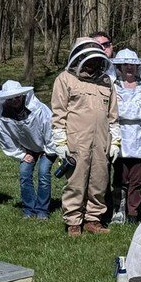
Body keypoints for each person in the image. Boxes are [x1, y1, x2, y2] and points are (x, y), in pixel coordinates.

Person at [51, 38, 120, 235]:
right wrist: (60, 142)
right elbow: (58, 112)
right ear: (79, 57)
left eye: (95, 61)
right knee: (76, 180)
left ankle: (93, 219)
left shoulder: (106, 81)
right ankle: (73, 220)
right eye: (88, 60)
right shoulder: (65, 79)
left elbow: (113, 115)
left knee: (99, 179)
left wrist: (115, 141)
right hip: (76, 140)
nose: (92, 65)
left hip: (101, 140)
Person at [0, 80, 55, 219]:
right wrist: (21, 154)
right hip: (27, 148)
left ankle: (42, 211)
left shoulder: (38, 109)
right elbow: (5, 138)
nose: (14, 100)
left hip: (46, 146)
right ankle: (29, 209)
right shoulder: (3, 115)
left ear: (22, 95)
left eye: (17, 97)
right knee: (24, 174)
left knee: (43, 174)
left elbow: (50, 129)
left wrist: (49, 150)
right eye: (10, 98)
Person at [111, 49, 141, 223]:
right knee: (120, 178)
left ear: (138, 67)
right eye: (126, 64)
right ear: (120, 67)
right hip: (119, 139)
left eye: (133, 65)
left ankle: (133, 213)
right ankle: (118, 210)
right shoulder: (112, 87)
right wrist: (136, 109)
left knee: (136, 180)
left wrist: (125, 109)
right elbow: (113, 111)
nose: (130, 68)